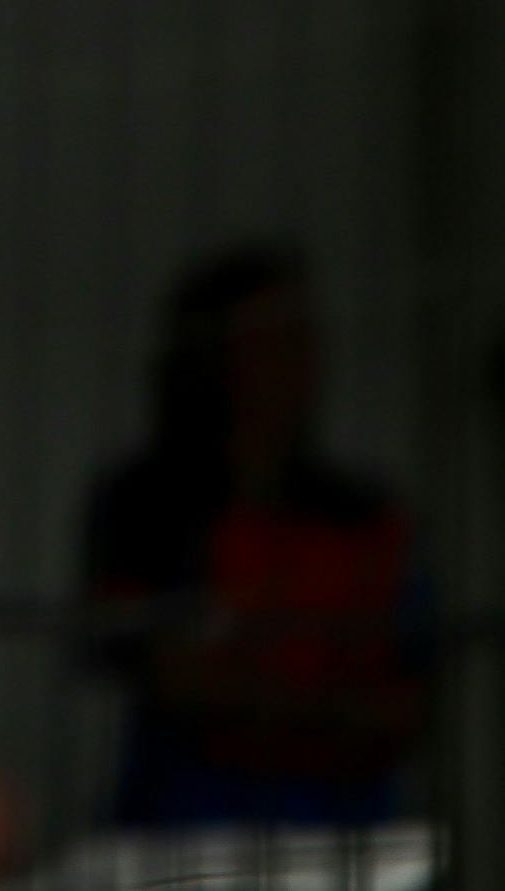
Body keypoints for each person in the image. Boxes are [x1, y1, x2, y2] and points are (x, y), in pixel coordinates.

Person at [83, 243, 428, 832]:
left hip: (348, 832)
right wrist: (328, 710)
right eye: (271, 334)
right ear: (212, 354)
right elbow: (169, 675)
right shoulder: (146, 504)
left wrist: (264, 699)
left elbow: (405, 698)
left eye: (304, 333)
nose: (300, 354)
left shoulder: (368, 511)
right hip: (191, 831)